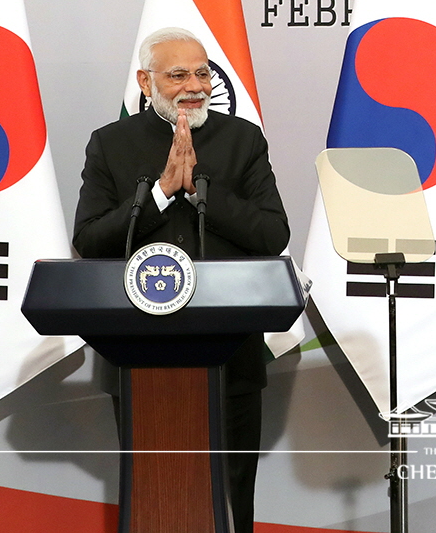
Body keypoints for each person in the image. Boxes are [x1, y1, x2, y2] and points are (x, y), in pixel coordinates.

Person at [73, 27, 289, 533]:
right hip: (139, 355)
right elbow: (89, 240)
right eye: (178, 75)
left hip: (230, 357)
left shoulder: (242, 140)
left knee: (233, 500)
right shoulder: (111, 144)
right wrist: (161, 193)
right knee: (154, 494)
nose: (194, 85)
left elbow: (272, 233)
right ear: (145, 81)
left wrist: (200, 191)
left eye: (202, 72)